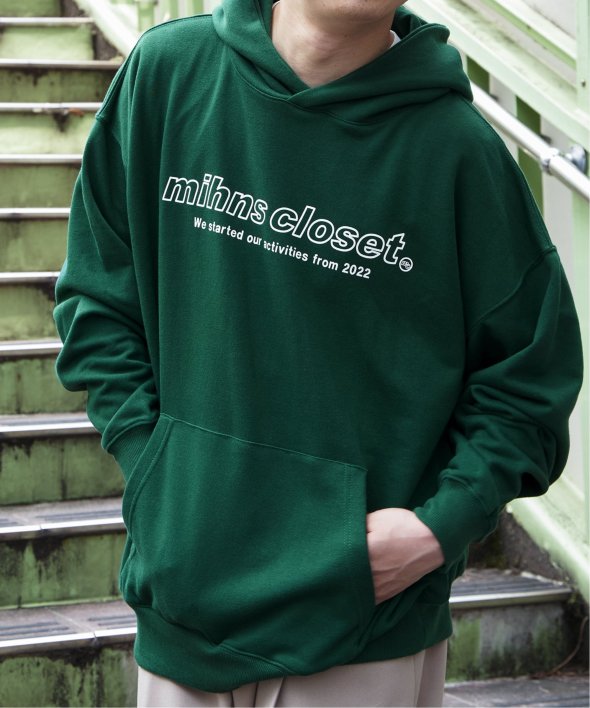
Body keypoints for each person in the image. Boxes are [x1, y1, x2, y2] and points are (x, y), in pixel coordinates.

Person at [53, 0, 583, 705]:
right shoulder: (169, 75)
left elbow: (530, 381)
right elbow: (97, 300)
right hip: (184, 606)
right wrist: (163, 481)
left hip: (367, 623)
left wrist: (437, 528)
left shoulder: (459, 151)